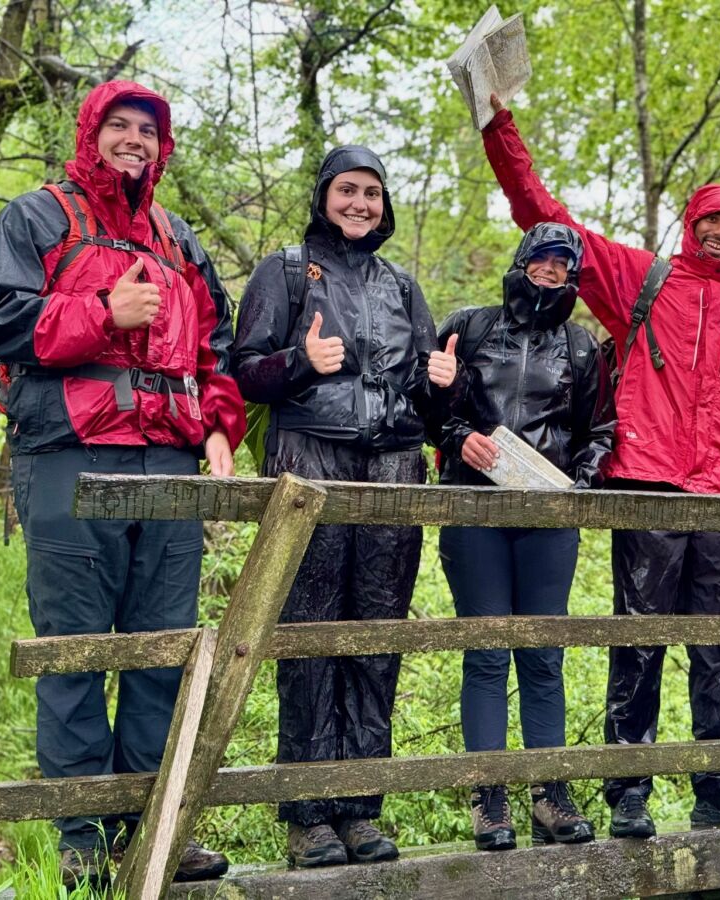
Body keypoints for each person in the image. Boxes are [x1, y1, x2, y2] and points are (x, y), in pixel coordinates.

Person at [480, 95, 720, 837]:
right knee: (640, 636)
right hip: (648, 483)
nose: (719, 232)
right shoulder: (641, 281)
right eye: (710, 219)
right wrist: (501, 128)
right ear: (691, 223)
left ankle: (719, 783)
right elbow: (542, 214)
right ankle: (630, 789)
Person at [0, 81, 243, 887]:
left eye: (147, 131)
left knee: (161, 653)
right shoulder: (36, 216)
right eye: (119, 126)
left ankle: (149, 829)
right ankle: (83, 843)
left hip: (170, 467)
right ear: (93, 134)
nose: (134, 140)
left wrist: (222, 423)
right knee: (76, 652)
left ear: (163, 146)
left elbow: (213, 346)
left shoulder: (177, 236)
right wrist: (100, 311)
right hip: (69, 460)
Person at [232, 145, 457, 869]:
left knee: (376, 635)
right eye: (348, 190)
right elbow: (244, 373)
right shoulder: (286, 270)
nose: (361, 204)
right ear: (325, 194)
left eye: (372, 194)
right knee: (307, 632)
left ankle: (361, 805)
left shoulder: (401, 285)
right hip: (310, 459)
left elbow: (428, 395)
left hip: (393, 468)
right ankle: (308, 814)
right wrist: (303, 362)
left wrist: (444, 383)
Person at [435, 223, 615, 851]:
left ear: (573, 275)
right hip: (476, 510)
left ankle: (550, 795)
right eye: (541, 258)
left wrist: (579, 485)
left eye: (563, 263)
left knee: (543, 655)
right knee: (485, 653)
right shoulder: (472, 325)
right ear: (521, 261)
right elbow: (432, 410)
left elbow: (601, 429)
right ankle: (490, 800)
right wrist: (459, 436)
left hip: (548, 517)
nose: (550, 269)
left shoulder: (581, 345)